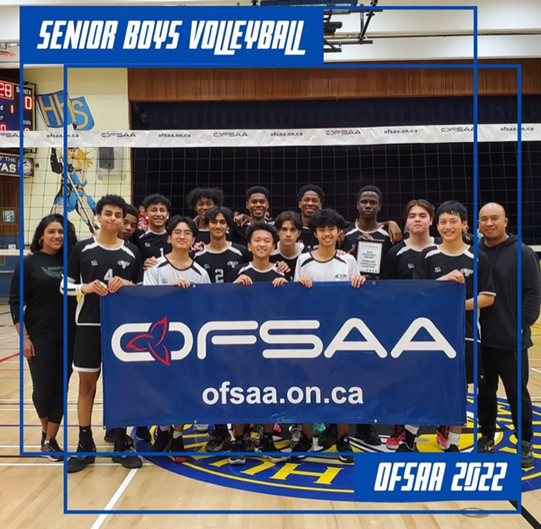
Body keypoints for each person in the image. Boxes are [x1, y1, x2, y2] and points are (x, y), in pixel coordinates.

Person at [66, 194, 144, 473]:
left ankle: (122, 442)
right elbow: (65, 285)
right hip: (88, 324)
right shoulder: (82, 249)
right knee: (87, 385)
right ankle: (84, 443)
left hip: (121, 329)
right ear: (99, 216)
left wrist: (129, 284)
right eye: (108, 213)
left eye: (118, 215)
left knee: (120, 385)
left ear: (124, 220)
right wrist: (85, 288)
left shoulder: (132, 251)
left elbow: (141, 290)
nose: (113, 218)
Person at [412, 200, 496, 453]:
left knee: (459, 389)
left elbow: (488, 297)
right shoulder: (428, 256)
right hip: (430, 334)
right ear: (437, 226)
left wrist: (456, 305)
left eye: (453, 221)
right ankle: (410, 437)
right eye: (443, 222)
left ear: (464, 224)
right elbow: (417, 295)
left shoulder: (477, 257)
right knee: (425, 384)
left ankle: (453, 443)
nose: (447, 226)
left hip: (466, 333)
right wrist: (442, 282)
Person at [292, 209, 366, 463]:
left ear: (339, 233)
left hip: (340, 335)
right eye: (322, 230)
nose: (327, 233)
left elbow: (357, 299)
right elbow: (294, 298)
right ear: (315, 233)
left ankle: (342, 439)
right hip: (310, 335)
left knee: (342, 388)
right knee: (307, 388)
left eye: (331, 229)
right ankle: (305, 437)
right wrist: (298, 284)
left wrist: (360, 281)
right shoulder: (303, 261)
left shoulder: (349, 262)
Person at [9, 214, 77, 461]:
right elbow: (16, 301)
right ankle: (46, 435)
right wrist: (24, 338)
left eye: (60, 231)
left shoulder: (72, 261)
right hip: (39, 335)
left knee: (62, 386)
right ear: (41, 236)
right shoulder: (28, 263)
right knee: (42, 389)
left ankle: (50, 440)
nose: (57, 235)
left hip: (70, 333)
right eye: (51, 231)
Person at [478, 202, 541, 467]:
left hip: (510, 340)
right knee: (485, 392)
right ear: (478, 224)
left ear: (505, 222)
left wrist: (520, 324)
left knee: (517, 393)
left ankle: (525, 441)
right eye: (484, 219)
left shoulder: (523, 253)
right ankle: (487, 436)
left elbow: (533, 294)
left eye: (494, 218)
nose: (489, 223)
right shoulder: (472, 252)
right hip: (481, 339)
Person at [144, 216, 211, 461]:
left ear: (194, 240)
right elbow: (147, 301)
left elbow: (204, 310)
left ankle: (177, 437)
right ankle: (163, 432)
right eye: (177, 232)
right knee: (161, 389)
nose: (182, 236)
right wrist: (170, 290)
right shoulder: (155, 268)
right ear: (169, 237)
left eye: (187, 233)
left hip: (188, 341)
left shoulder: (200, 272)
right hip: (159, 340)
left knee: (184, 390)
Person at [227, 222, 288, 465]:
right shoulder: (240, 272)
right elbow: (224, 308)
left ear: (274, 246)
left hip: (272, 344)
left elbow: (291, 311)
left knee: (269, 391)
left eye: (267, 241)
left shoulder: (282, 274)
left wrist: (287, 290)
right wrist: (234, 289)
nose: (262, 244)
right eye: (257, 240)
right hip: (244, 344)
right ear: (249, 245)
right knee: (242, 391)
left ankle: (267, 439)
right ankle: (239, 440)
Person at [382, 199, 438, 450]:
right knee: (402, 379)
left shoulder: (445, 249)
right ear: (405, 221)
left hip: (438, 329)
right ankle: (400, 426)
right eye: (412, 215)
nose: (417, 219)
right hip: (403, 328)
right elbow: (387, 291)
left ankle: (443, 424)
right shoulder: (396, 253)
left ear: (431, 220)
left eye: (422, 215)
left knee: (436, 380)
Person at [194, 206, 250, 284]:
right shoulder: (197, 256)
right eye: (214, 222)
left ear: (227, 226)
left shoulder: (241, 252)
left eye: (222, 222)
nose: (218, 226)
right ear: (207, 226)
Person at [132, 194, 172, 270]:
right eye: (154, 210)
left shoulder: (174, 234)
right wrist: (142, 265)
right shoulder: (137, 235)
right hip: (147, 280)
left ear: (167, 214)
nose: (158, 214)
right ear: (146, 214)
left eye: (162, 210)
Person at [270, 211, 305, 282]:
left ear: (299, 233)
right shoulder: (269, 253)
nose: (288, 234)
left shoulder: (307, 255)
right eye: (284, 229)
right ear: (277, 232)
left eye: (293, 230)